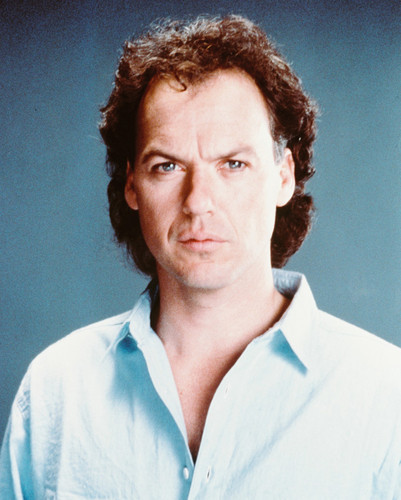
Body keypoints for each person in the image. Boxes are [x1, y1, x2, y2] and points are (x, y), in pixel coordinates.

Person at [1, 14, 401, 499]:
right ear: (132, 184)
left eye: (233, 163)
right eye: (167, 166)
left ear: (283, 176)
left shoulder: (386, 398)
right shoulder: (55, 394)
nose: (198, 201)